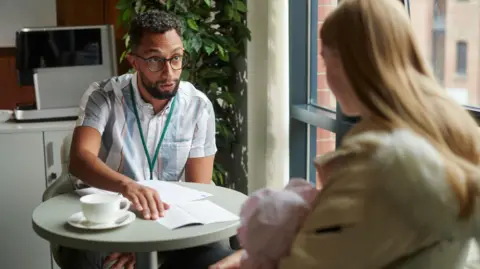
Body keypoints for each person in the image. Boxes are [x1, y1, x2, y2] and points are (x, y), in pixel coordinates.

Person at [211, 0, 480, 268]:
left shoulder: (381, 165)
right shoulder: (451, 137)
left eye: (326, 62)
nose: (327, 75)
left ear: (347, 64)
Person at [59, 9, 233, 269]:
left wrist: (148, 244)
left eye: (176, 58)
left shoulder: (198, 106)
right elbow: (81, 159)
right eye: (155, 60)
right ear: (134, 61)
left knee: (220, 254)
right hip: (110, 218)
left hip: (168, 220)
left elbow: (200, 189)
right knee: (84, 257)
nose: (169, 72)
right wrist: (128, 187)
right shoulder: (103, 96)